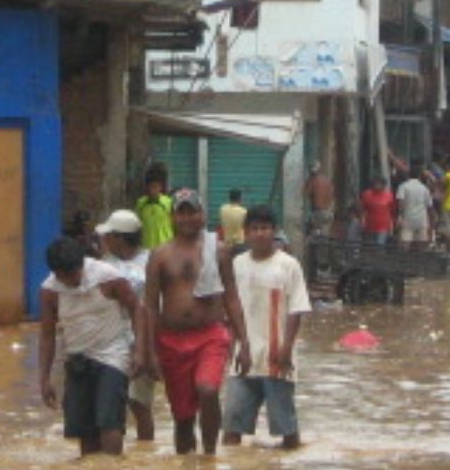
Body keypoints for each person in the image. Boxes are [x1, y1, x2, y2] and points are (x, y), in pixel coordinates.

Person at [146, 189, 249, 455]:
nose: (187, 218)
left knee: (207, 388)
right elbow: (149, 307)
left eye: (193, 211)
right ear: (173, 217)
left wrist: (245, 343)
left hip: (210, 335)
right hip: (171, 341)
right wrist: (149, 351)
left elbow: (232, 298)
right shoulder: (159, 255)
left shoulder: (219, 251)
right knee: (182, 419)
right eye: (182, 212)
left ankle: (210, 455)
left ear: (203, 215)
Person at [37, 236, 147, 458]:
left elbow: (137, 309)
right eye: (65, 277)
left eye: (74, 274)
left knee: (110, 423)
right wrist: (44, 379)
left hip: (113, 357)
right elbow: (47, 336)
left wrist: (140, 350)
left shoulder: (108, 278)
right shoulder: (50, 291)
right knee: (84, 432)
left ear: (82, 265)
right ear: (56, 273)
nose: (71, 280)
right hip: (77, 360)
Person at [223, 205, 311, 451]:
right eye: (254, 229)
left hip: (277, 357)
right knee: (231, 430)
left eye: (265, 228)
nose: (260, 234)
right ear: (246, 233)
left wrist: (286, 349)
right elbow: (230, 311)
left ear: (274, 231)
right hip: (243, 358)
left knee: (287, 432)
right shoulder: (237, 265)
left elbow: (296, 310)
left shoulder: (289, 265)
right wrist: (231, 347)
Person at [96, 209, 156, 441]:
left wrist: (149, 349)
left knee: (139, 403)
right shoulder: (104, 263)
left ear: (120, 238)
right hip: (110, 342)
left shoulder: (151, 261)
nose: (105, 240)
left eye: (109, 235)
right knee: (112, 402)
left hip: (141, 339)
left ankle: (145, 446)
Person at [134, 167, 174, 251]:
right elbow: (137, 225)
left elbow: (175, 225)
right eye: (151, 187)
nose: (153, 190)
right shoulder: (141, 203)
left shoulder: (168, 203)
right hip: (147, 248)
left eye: (156, 186)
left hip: (166, 247)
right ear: (147, 187)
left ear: (161, 187)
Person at [396, 162, 433, 247]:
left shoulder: (403, 186)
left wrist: (399, 216)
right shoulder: (424, 189)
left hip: (407, 218)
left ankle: (405, 259)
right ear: (420, 176)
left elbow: (400, 203)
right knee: (421, 244)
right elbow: (429, 206)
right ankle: (419, 260)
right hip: (422, 219)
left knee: (405, 243)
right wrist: (431, 223)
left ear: (408, 174)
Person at [358, 176, 395, 245]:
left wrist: (391, 227)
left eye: (380, 184)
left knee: (380, 246)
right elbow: (362, 210)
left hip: (383, 226)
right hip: (369, 225)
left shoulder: (389, 196)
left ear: (383, 185)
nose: (377, 186)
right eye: (376, 184)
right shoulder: (366, 195)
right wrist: (362, 222)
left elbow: (391, 212)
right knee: (369, 246)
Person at [304, 163, 336, 237]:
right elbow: (332, 195)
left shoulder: (313, 180)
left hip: (318, 213)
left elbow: (305, 194)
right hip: (329, 211)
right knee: (325, 236)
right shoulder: (327, 181)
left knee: (314, 236)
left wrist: (307, 183)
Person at [219, 188, 248, 252]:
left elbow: (222, 223)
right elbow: (245, 226)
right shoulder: (243, 211)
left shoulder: (222, 209)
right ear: (240, 198)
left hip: (227, 242)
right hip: (239, 243)